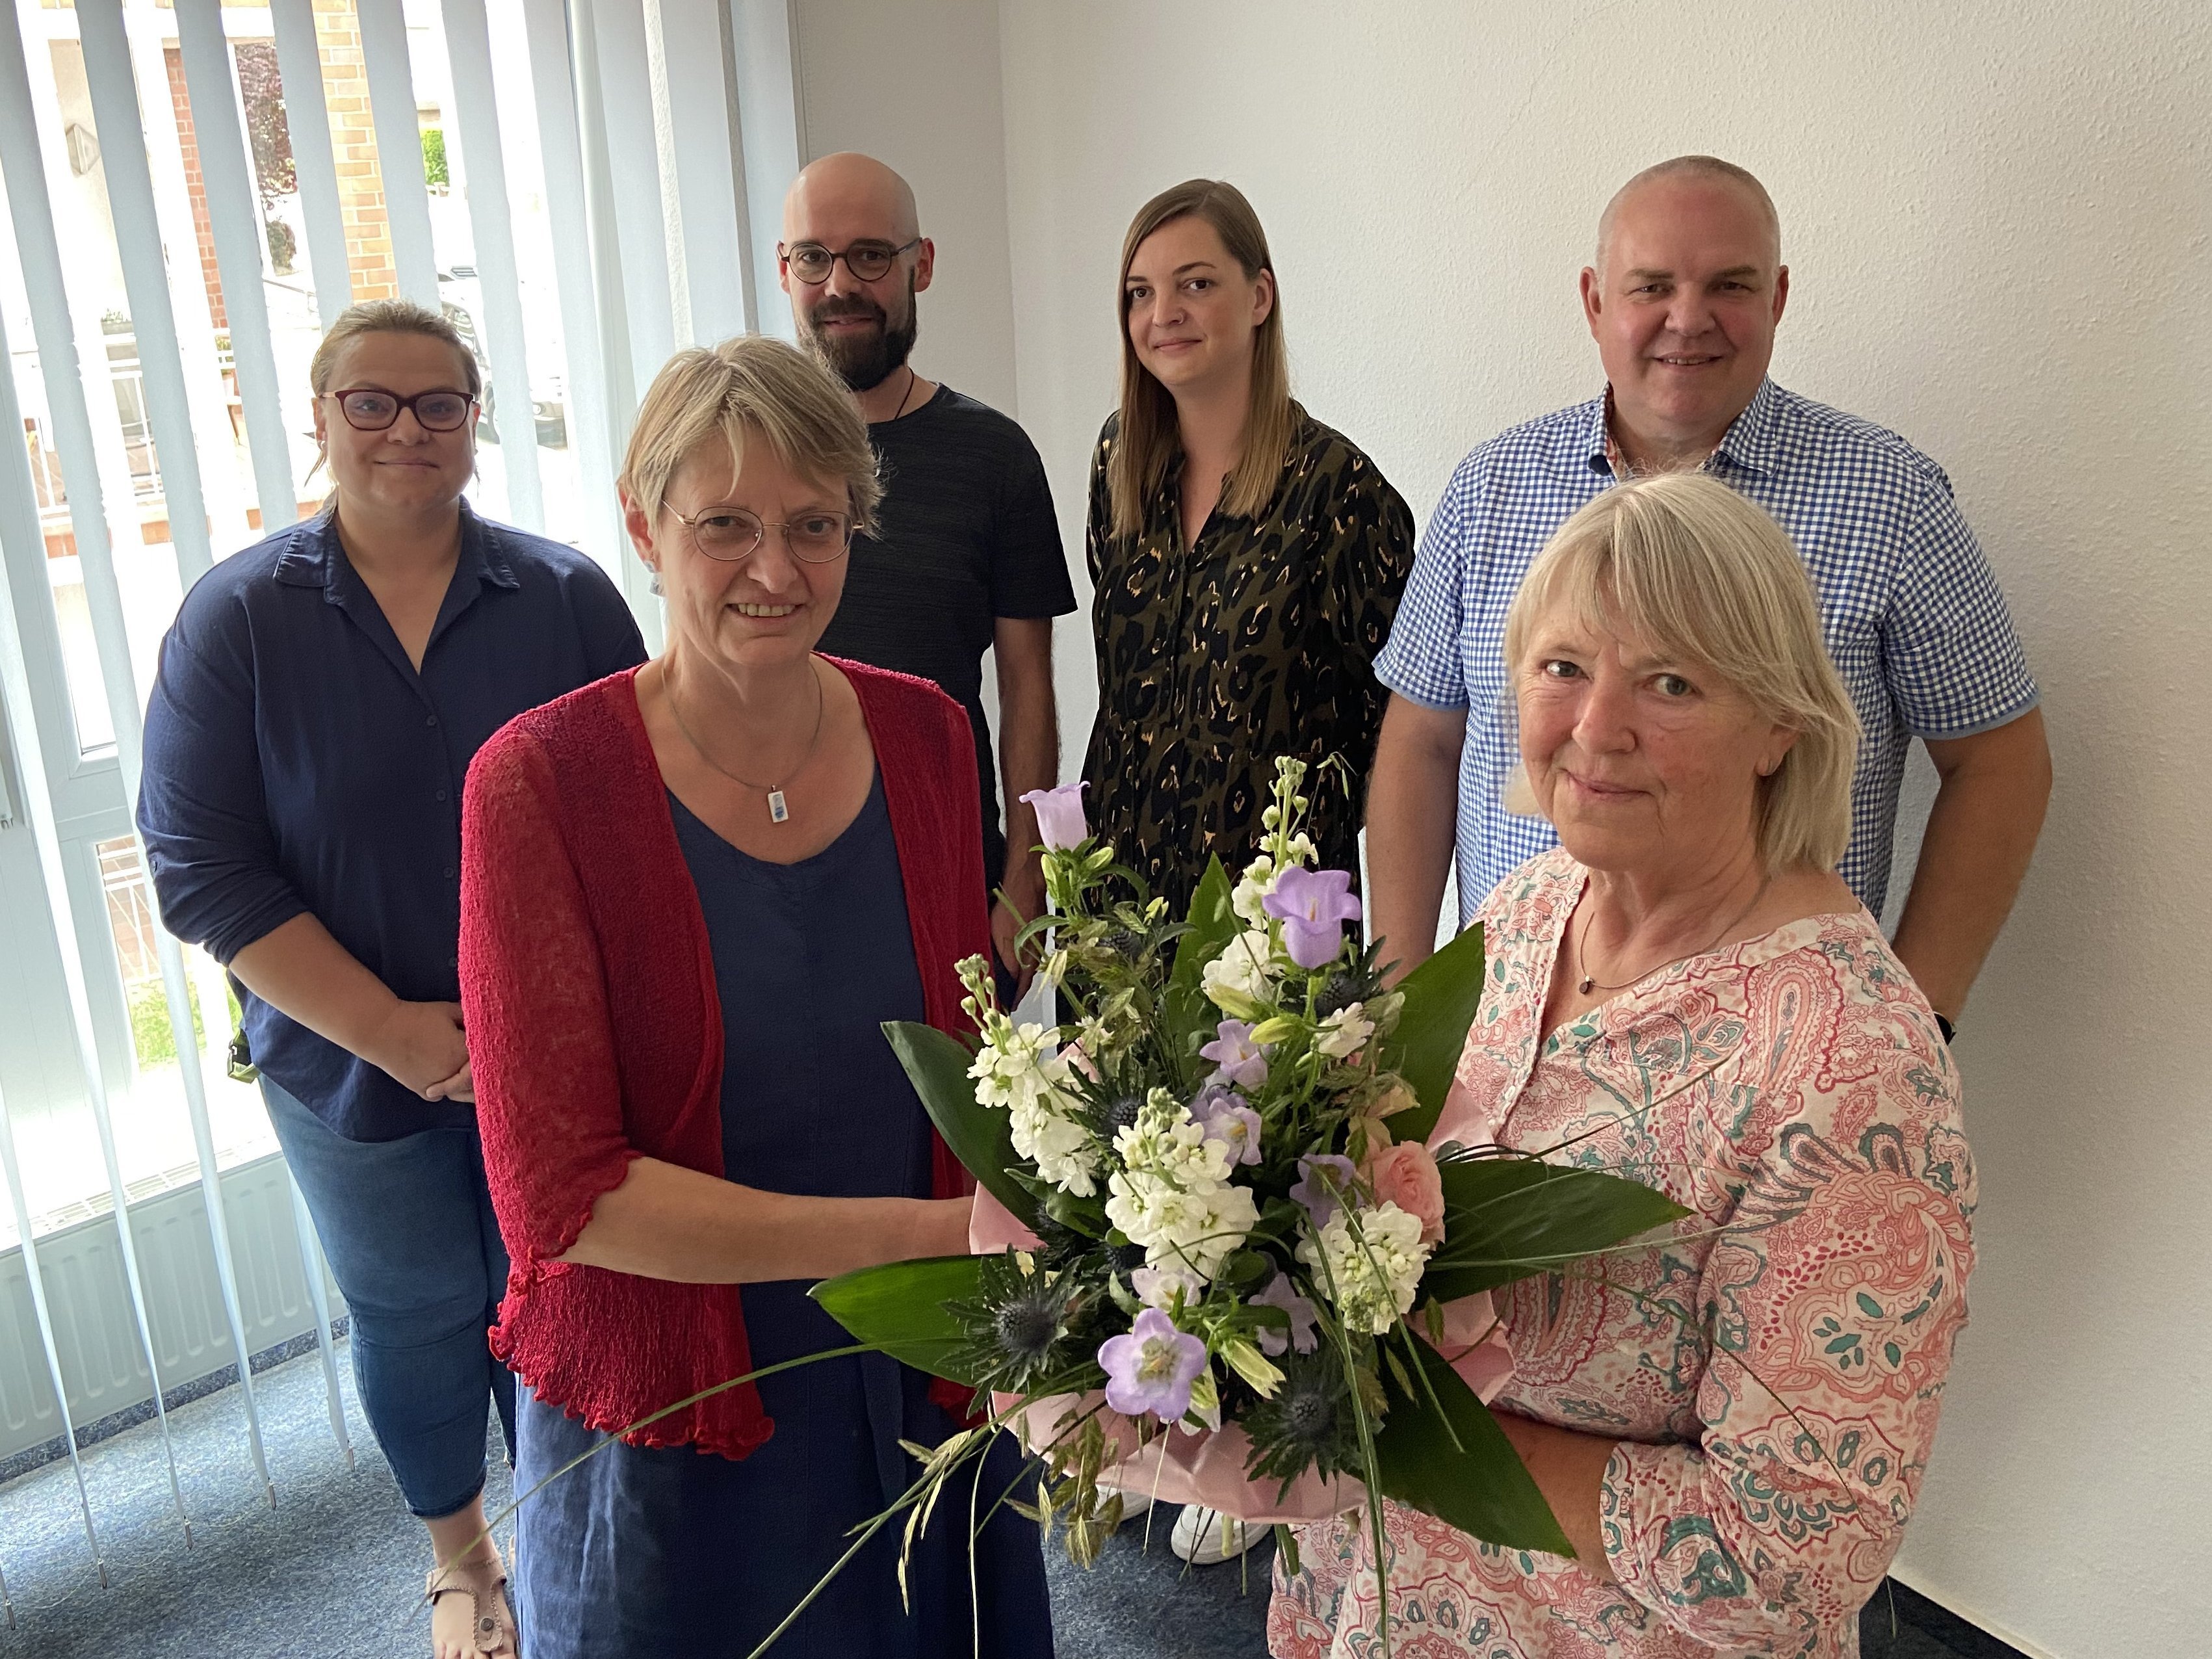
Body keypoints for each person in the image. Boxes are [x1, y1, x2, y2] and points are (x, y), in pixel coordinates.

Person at [1273, 472, 1975, 1658]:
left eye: (1669, 682)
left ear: (1777, 727)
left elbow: (1783, 1557)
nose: (1594, 728)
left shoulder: (1850, 1069)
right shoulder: (1534, 902)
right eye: (1561, 667)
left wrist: (1412, 1432)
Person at [458, 335, 1052, 1656]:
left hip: (920, 1347)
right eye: (724, 525)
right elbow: (565, 1199)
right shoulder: (541, 784)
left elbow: (970, 1061)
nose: (775, 571)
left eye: (814, 526)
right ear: (642, 524)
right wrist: (920, 1238)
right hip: (689, 1387)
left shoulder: (922, 732)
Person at [136, 298, 647, 1658]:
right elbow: (203, 870)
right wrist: (393, 1032)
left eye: (439, 403)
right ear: (319, 420)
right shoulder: (235, 621)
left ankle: (563, 1539)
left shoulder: (567, 597)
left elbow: (639, 816)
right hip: (344, 1068)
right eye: (372, 401)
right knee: (419, 1313)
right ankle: (461, 1556)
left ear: (477, 419)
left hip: (556, 1055)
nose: (406, 429)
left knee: (566, 1298)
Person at [1365, 155, 2050, 1039]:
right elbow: (1421, 741)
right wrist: (1403, 1009)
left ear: (1777, 297)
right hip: (1498, 1035)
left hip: (1760, 1059)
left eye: (1728, 284)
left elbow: (1998, 760)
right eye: (1650, 285)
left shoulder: (1889, 501)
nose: (1685, 320)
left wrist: (1914, 1019)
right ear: (1593, 301)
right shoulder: (1491, 488)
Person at [1084, 177, 1416, 926]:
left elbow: (1394, 735)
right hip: (1120, 911)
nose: (1163, 313)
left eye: (1194, 284)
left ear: (1259, 296)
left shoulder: (1340, 492)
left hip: (1270, 933)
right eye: (1139, 293)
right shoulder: (1118, 460)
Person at [781, 151, 1076, 990]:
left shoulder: (994, 459)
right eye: (814, 257)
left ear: (922, 264)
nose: (840, 283)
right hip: (769, 876)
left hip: (942, 869)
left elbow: (1026, 685)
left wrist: (1025, 875)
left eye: (871, 255)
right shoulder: (744, 456)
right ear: (784, 270)